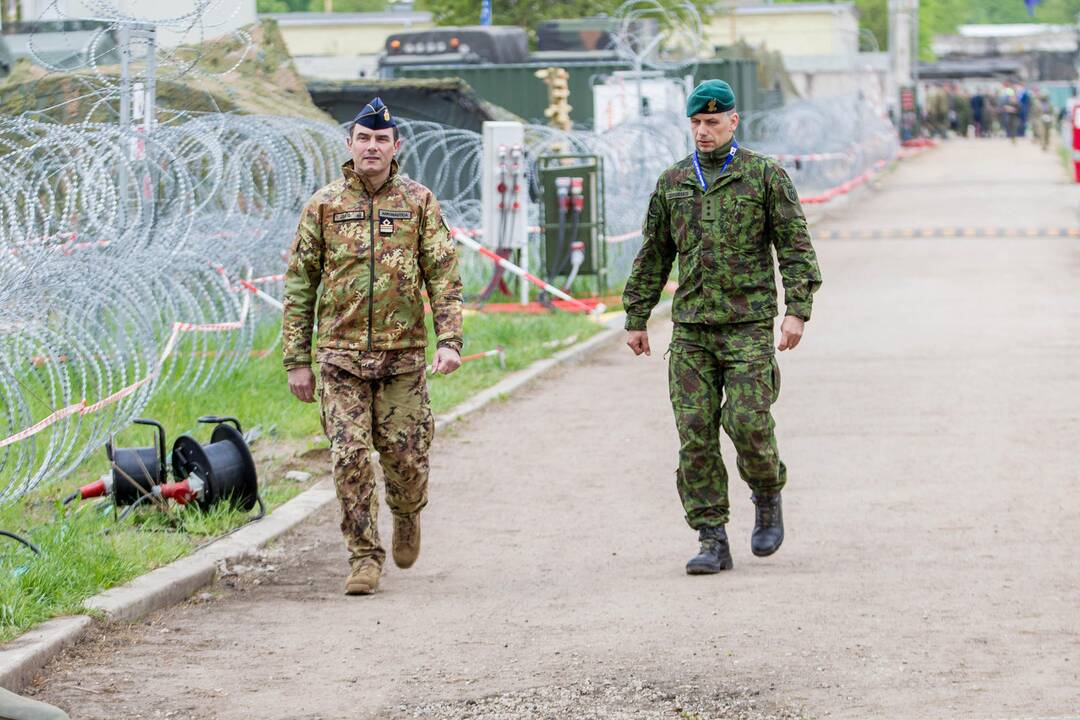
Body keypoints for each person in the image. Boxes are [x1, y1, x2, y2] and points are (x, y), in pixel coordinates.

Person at [622, 80, 822, 575]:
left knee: (749, 423)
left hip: (748, 324)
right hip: (691, 328)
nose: (703, 131)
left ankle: (767, 491)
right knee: (695, 433)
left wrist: (796, 309)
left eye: (712, 122)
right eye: (696, 123)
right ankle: (711, 536)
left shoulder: (764, 176)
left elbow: (795, 247)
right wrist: (637, 316)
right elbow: (655, 253)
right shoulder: (674, 182)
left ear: (734, 121)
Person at [282, 97, 464, 595]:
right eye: (364, 138)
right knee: (349, 456)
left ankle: (407, 514)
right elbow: (300, 283)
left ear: (395, 146)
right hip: (339, 357)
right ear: (350, 144)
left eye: (381, 139)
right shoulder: (324, 205)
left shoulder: (418, 202)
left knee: (406, 458)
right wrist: (297, 358)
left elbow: (443, 276)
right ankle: (363, 555)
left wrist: (449, 340)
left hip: (402, 357)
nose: (372, 147)